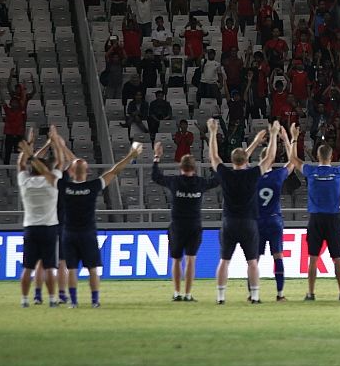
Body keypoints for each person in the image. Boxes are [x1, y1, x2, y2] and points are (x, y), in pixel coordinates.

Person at [56, 133, 142, 307]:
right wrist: (130, 155)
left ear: (71, 172)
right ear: (87, 172)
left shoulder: (64, 186)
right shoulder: (93, 186)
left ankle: (73, 302)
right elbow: (114, 171)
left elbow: (51, 171)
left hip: (69, 233)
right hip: (87, 233)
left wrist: (57, 147)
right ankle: (95, 301)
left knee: (71, 269)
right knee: (93, 269)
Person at [209, 119, 278, 305]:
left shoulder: (225, 173)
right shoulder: (252, 174)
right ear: (246, 160)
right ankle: (255, 296)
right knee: (252, 262)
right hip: (249, 222)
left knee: (224, 261)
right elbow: (269, 158)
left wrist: (213, 132)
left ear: (232, 161)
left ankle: (221, 297)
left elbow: (214, 156)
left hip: (229, 221)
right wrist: (273, 135)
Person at [294, 134, 340, 302]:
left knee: (313, 258)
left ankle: (310, 293)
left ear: (317, 156)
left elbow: (293, 159)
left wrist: (294, 139)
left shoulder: (311, 171)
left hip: (316, 218)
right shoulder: (337, 172)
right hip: (333, 219)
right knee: (337, 258)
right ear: (331, 156)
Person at [151, 141, 219, 301]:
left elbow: (156, 177)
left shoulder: (174, 182)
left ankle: (176, 293)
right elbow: (218, 179)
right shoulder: (200, 183)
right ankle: (188, 294)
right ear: (194, 168)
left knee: (176, 260)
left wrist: (156, 157)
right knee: (191, 260)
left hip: (177, 226)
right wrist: (212, 162)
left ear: (180, 167)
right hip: (194, 227)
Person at [250, 123, 301, 301]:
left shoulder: (252, 175)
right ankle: (279, 294)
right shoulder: (277, 175)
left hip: (257, 221)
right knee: (277, 256)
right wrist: (287, 138)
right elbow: (292, 163)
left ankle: (252, 294)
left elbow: (240, 162)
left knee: (254, 259)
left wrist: (256, 141)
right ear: (271, 160)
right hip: (274, 220)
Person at [17, 130, 61, 307]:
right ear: (46, 170)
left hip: (30, 227)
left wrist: (29, 145)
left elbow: (21, 164)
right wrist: (54, 142)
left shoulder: (25, 182)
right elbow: (59, 161)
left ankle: (25, 300)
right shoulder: (52, 182)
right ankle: (51, 299)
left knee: (28, 267)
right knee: (50, 266)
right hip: (49, 227)